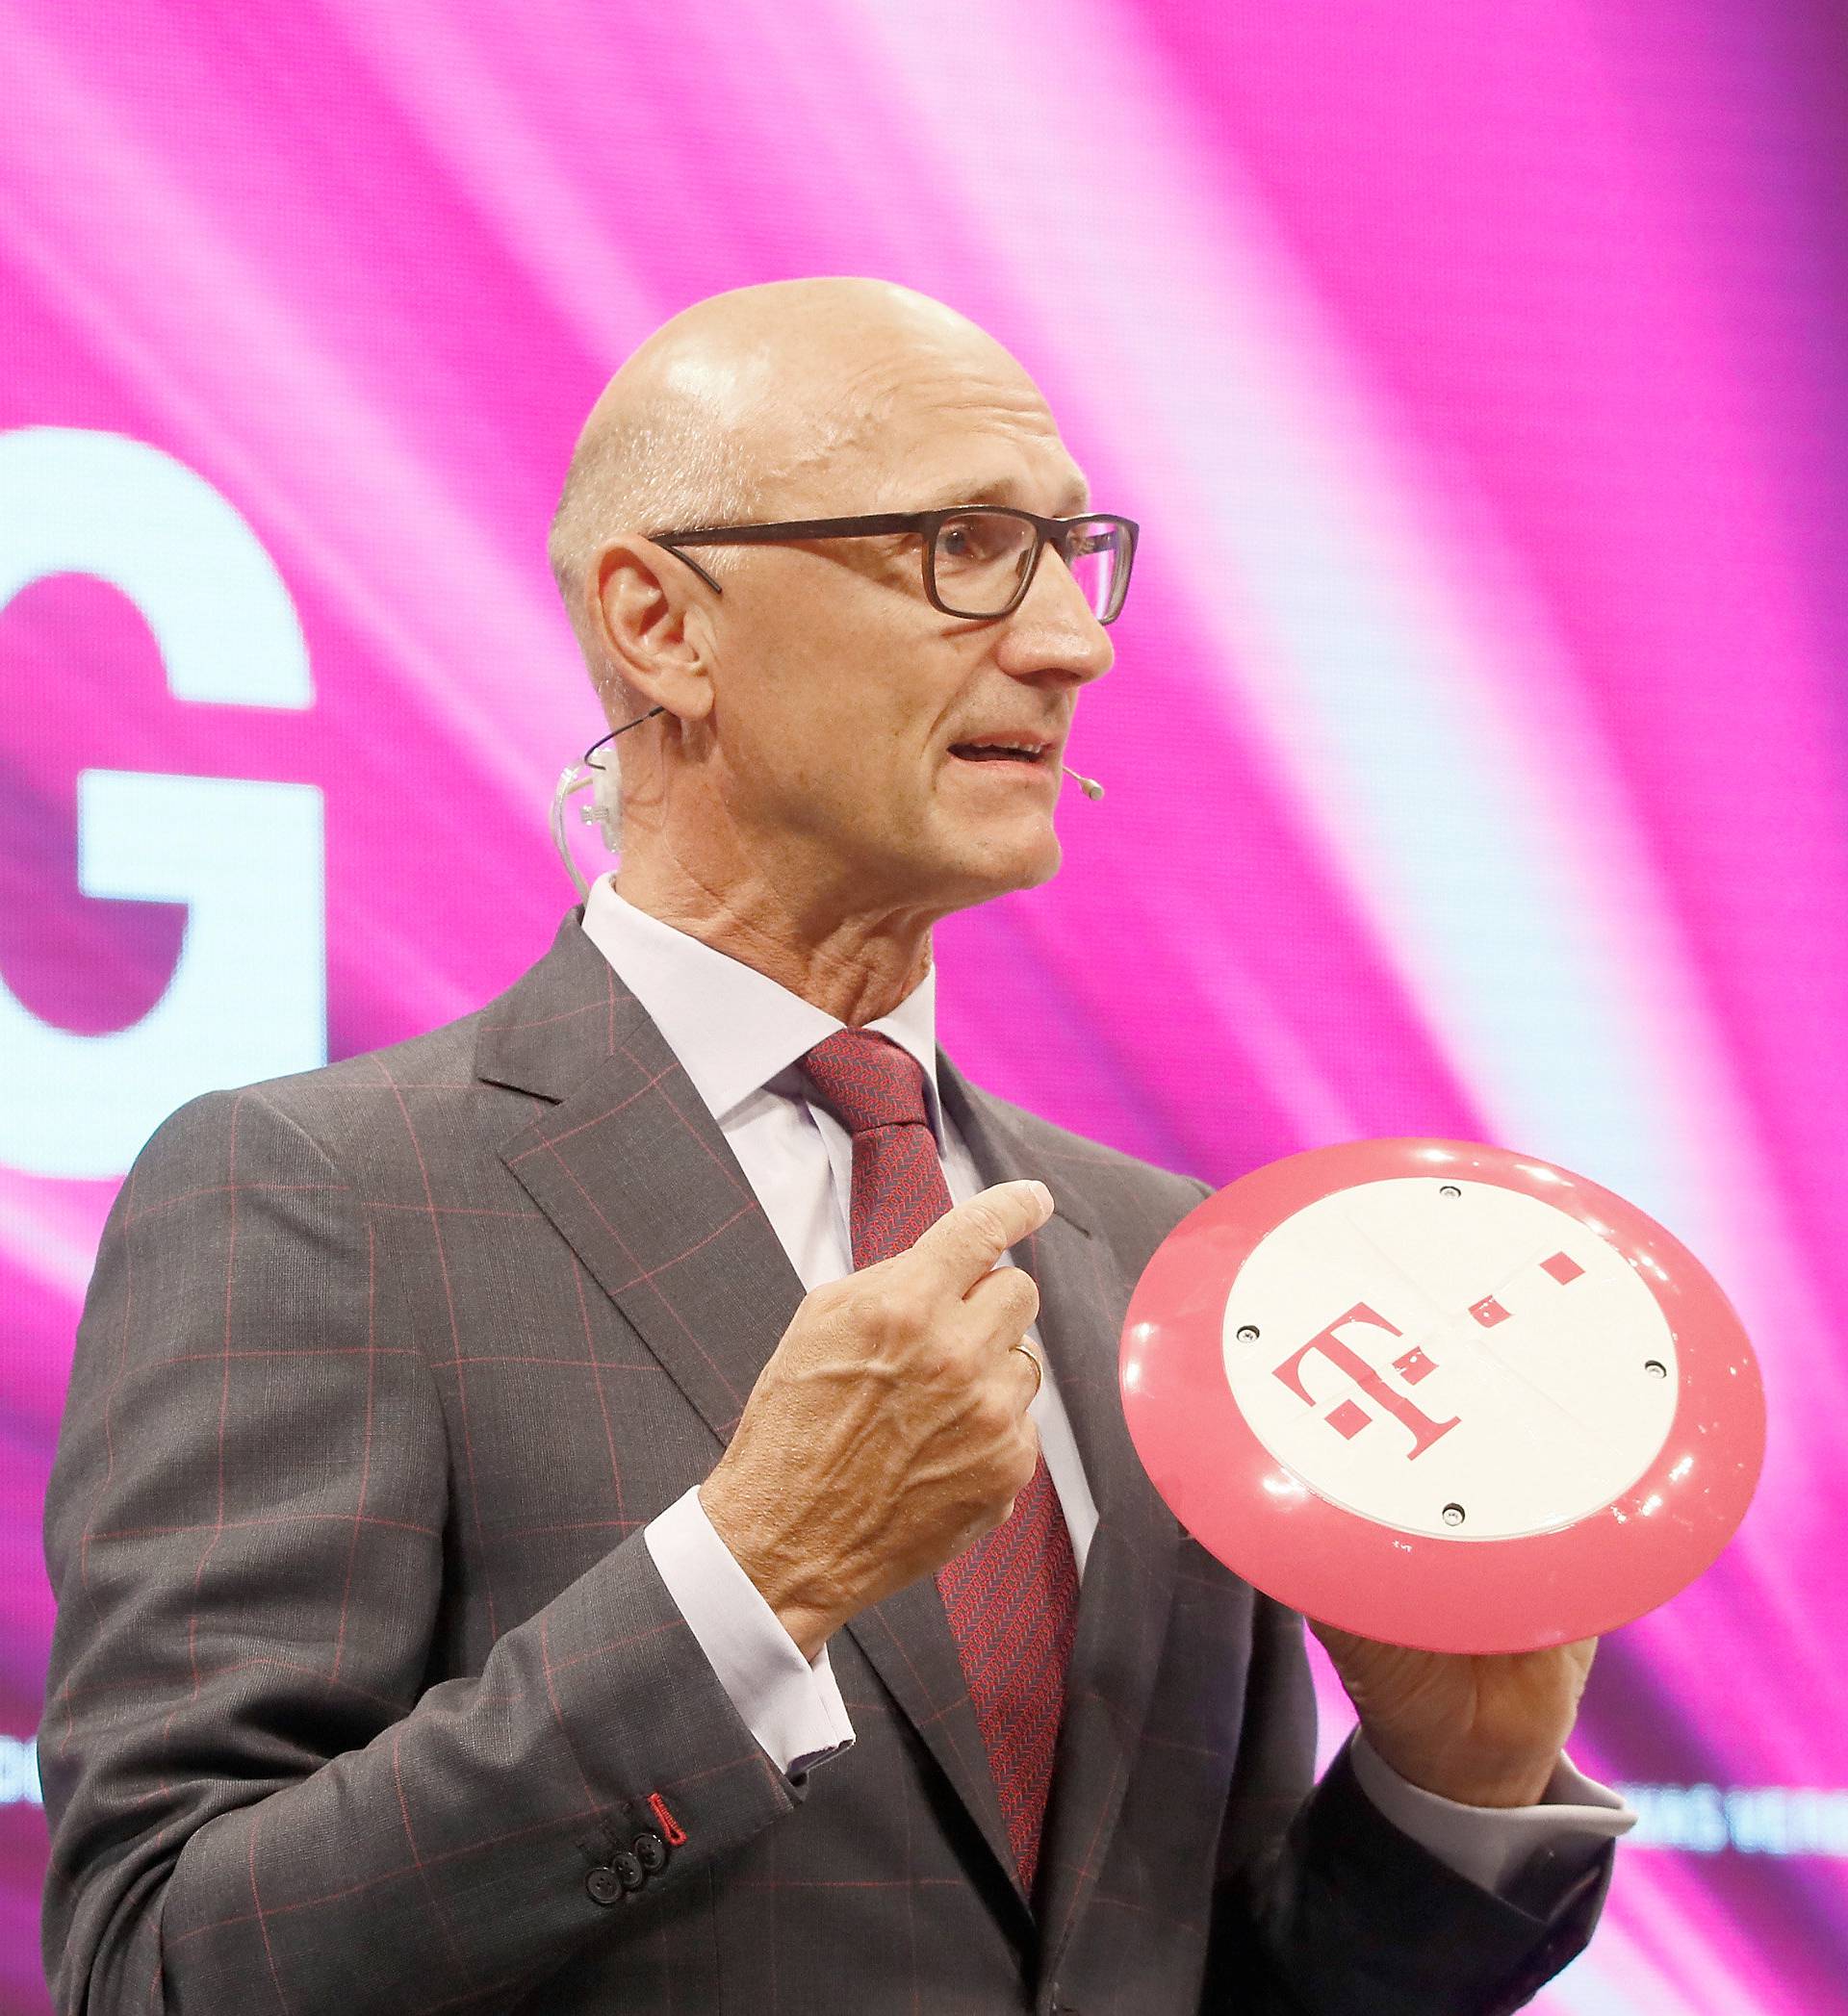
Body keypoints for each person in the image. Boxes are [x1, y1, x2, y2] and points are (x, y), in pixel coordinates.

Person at [39, 277, 1632, 2015]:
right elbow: (167, 1963)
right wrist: (749, 1578)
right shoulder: (321, 1198)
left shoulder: (1181, 1268)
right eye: (960, 545)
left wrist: (1447, 1789)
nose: (1069, 643)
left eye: (1069, 556)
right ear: (660, 623)